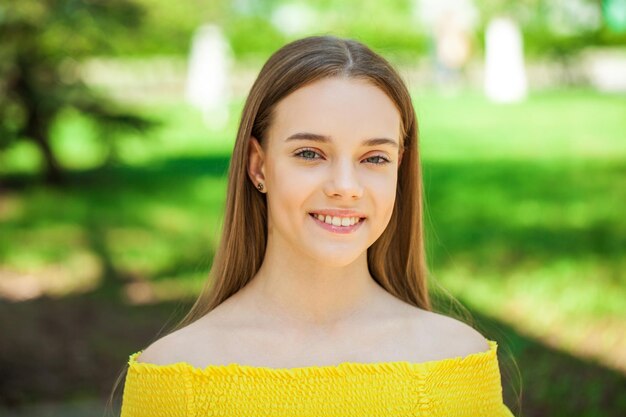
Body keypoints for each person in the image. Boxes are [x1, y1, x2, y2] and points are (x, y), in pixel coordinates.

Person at [118, 35, 514, 416]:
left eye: (375, 158)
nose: (345, 187)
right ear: (258, 166)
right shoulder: (174, 376)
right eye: (310, 153)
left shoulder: (456, 361)